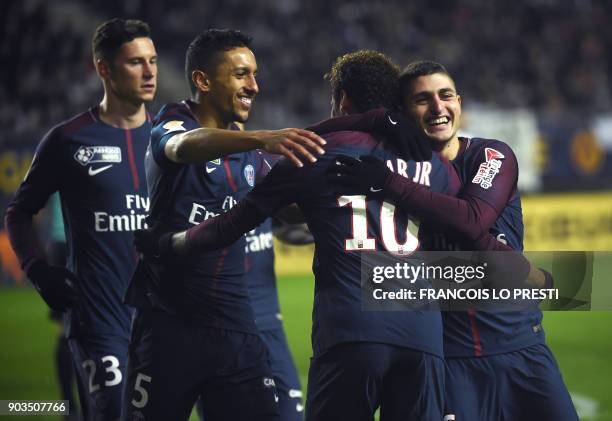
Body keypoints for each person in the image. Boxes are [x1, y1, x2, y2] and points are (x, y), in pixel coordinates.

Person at [135, 50, 461, 421]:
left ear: (342, 100)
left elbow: (233, 222)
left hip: (352, 333)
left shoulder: (315, 152)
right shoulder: (431, 163)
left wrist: (170, 242)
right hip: (423, 339)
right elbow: (461, 221)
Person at [316, 60, 578, 420]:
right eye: (423, 100)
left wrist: (388, 184)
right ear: (402, 113)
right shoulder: (387, 170)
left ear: (460, 102)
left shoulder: (490, 155)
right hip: (451, 364)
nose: (438, 107)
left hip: (524, 350)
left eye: (446, 95)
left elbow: (472, 220)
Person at [122, 29, 325, 421]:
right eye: (241, 74)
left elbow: (292, 211)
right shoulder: (172, 125)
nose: (254, 85)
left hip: (237, 333)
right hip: (167, 328)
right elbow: (183, 147)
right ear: (202, 80)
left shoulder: (252, 155)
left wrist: (344, 192)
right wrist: (259, 139)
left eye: (254, 74)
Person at [4, 18, 158, 421]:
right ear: (104, 69)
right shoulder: (68, 140)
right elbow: (19, 211)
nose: (149, 71)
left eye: (153, 60)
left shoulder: (169, 137)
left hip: (164, 323)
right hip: (99, 322)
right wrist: (37, 269)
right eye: (135, 62)